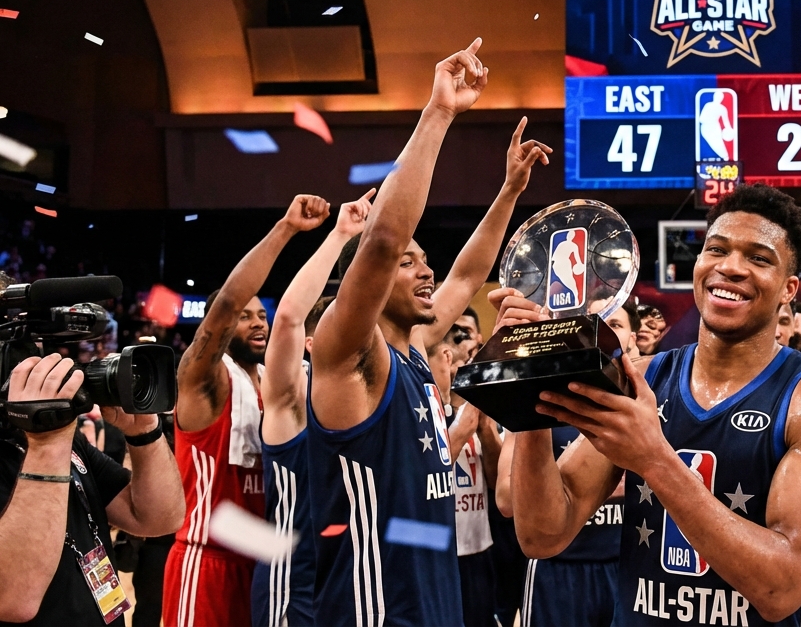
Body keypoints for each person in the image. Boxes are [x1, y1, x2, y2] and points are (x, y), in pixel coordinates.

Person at [501, 181, 801, 626]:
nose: (731, 267)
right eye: (717, 250)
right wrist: (532, 389)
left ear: (790, 289)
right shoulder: (645, 376)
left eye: (758, 258)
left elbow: (782, 588)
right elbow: (543, 534)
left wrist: (654, 459)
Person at [307, 39, 549, 625]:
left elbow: (467, 271)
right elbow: (384, 239)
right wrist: (439, 113)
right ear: (369, 281)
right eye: (411, 264)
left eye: (424, 261)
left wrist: (511, 190)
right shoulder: (351, 356)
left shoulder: (413, 347)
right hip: (376, 610)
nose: (426, 270)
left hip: (436, 599)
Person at [165, 194, 330, 627]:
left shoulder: (277, 384)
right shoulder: (205, 379)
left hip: (267, 564)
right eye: (246, 316)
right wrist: (287, 230)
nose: (258, 322)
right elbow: (224, 306)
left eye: (263, 314)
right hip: (208, 561)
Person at [253, 191, 373, 627]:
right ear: (310, 346)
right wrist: (341, 235)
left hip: (352, 577)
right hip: (294, 580)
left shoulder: (363, 401)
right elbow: (286, 318)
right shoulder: (290, 402)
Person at [0, 352, 185, 624]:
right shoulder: (49, 441)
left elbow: (160, 518)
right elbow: (12, 599)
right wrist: (47, 445)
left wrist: (145, 432)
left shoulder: (63, 441)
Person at [493, 302, 639, 627]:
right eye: (593, 322)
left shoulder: (648, 401)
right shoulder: (542, 394)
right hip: (557, 569)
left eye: (615, 321)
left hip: (626, 566)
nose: (604, 330)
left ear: (633, 336)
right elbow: (505, 499)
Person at [423, 321, 503, 627]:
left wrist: (485, 430)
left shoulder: (477, 415)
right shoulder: (420, 417)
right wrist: (466, 423)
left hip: (479, 551)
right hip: (436, 554)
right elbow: (426, 477)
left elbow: (497, 484)